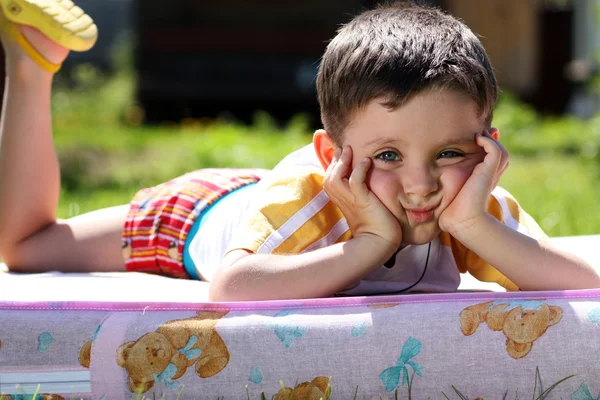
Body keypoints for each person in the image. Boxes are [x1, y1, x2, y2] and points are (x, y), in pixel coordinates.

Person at [0, 0, 598, 302]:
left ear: (488, 146)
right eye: (387, 155)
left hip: (275, 196)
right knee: (27, 246)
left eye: (448, 152)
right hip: (204, 212)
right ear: (330, 153)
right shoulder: (306, 193)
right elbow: (231, 287)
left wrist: (472, 224)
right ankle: (33, 64)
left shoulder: (469, 202)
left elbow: (582, 281)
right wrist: (371, 241)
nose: (423, 186)